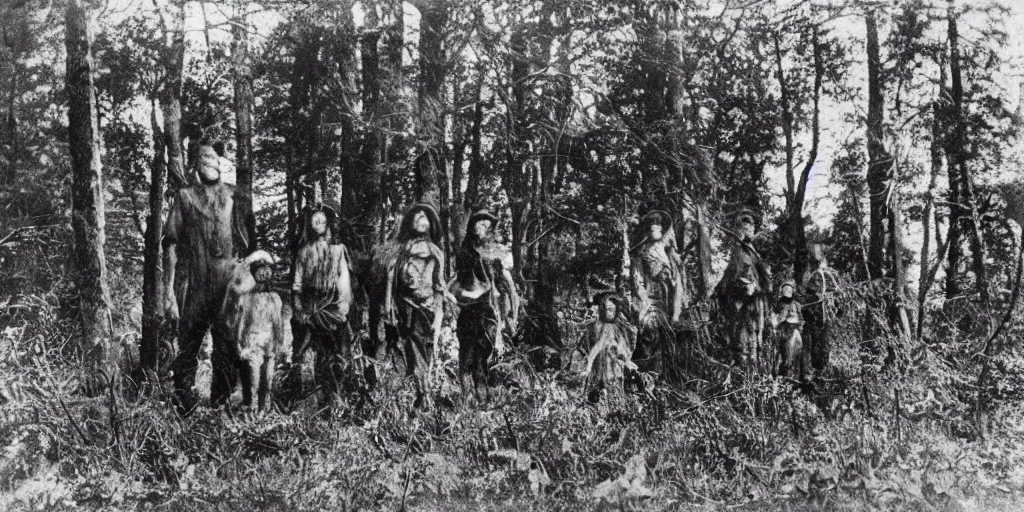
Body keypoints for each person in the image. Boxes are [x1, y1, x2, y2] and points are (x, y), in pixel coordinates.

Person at [164, 144, 256, 413]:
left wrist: (247, 283)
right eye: (203, 157)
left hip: (228, 285)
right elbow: (169, 243)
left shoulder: (235, 198)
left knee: (227, 346)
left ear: (220, 163)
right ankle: (183, 401)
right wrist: (169, 291)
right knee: (188, 344)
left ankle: (221, 403)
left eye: (214, 157)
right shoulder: (186, 197)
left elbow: (251, 246)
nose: (209, 162)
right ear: (195, 165)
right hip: (196, 283)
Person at [290, 203, 357, 406]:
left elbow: (343, 279)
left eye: (322, 221)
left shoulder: (338, 250)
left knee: (338, 349)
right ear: (309, 225)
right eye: (314, 221)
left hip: (332, 304)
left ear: (328, 223)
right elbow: (297, 283)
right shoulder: (304, 251)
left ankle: (339, 394)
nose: (318, 224)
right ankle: (299, 393)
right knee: (303, 349)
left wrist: (343, 305)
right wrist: (298, 307)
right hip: (311, 305)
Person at [383, 203, 446, 408]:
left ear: (430, 224)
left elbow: (439, 284)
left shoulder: (435, 251)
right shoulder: (403, 250)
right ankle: (417, 394)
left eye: (424, 218)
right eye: (417, 218)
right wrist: (389, 304)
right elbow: (392, 278)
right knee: (410, 347)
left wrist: (438, 312)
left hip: (426, 306)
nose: (421, 221)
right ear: (410, 223)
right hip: (405, 305)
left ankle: (423, 392)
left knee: (424, 348)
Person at [452, 210, 519, 401]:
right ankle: (467, 399)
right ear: (472, 227)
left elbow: (509, 285)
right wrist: (467, 295)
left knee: (482, 358)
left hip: (488, 313)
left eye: (486, 224)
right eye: (478, 224)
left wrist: (512, 314)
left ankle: (483, 399)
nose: (482, 228)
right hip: (469, 312)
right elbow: (458, 284)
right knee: (466, 358)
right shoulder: (465, 253)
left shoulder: (495, 255)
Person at [221, 250, 286, 411]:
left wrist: (280, 342)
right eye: (260, 270)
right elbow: (241, 321)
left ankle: (264, 410)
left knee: (267, 379)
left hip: (269, 343)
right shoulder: (247, 297)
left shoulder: (275, 298)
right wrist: (238, 343)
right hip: (252, 342)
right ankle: (251, 408)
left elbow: (278, 323)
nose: (264, 274)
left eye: (267, 270)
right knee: (253, 379)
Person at [629, 210, 686, 378]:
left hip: (666, 298)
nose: (656, 229)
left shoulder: (668, 252)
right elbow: (637, 280)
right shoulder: (641, 253)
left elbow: (676, 280)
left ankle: (663, 375)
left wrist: (672, 282)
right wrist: (644, 299)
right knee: (649, 332)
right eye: (652, 226)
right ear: (647, 230)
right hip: (649, 299)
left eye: (658, 227)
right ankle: (647, 374)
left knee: (666, 335)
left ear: (662, 230)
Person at [715, 209, 771, 372]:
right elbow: (728, 278)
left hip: (756, 300)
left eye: (751, 227)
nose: (749, 230)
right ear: (738, 229)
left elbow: (762, 277)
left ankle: (752, 373)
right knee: (741, 337)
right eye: (745, 227)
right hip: (741, 302)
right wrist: (744, 288)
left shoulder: (752, 251)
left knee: (755, 335)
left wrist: (760, 287)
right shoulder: (734, 251)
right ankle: (741, 370)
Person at [583, 292, 636, 403]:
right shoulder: (604, 326)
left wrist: (627, 361)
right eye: (608, 309)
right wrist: (589, 363)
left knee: (614, 387)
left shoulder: (616, 326)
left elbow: (624, 348)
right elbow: (598, 346)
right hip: (606, 364)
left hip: (614, 364)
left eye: (613, 310)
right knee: (607, 389)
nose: (610, 313)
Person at [801, 244, 837, 375]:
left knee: (823, 346)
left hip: (825, 317)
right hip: (814, 318)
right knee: (814, 347)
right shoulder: (812, 276)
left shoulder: (827, 275)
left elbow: (835, 292)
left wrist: (829, 298)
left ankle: (822, 373)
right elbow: (809, 296)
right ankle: (814, 374)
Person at [770, 279, 803, 380]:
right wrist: (777, 321)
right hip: (782, 329)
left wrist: (800, 325)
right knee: (781, 354)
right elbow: (774, 317)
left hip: (794, 329)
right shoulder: (779, 304)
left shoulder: (796, 304)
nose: (788, 292)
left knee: (796, 352)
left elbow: (801, 318)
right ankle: (780, 373)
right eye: (786, 290)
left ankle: (795, 374)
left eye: (790, 290)